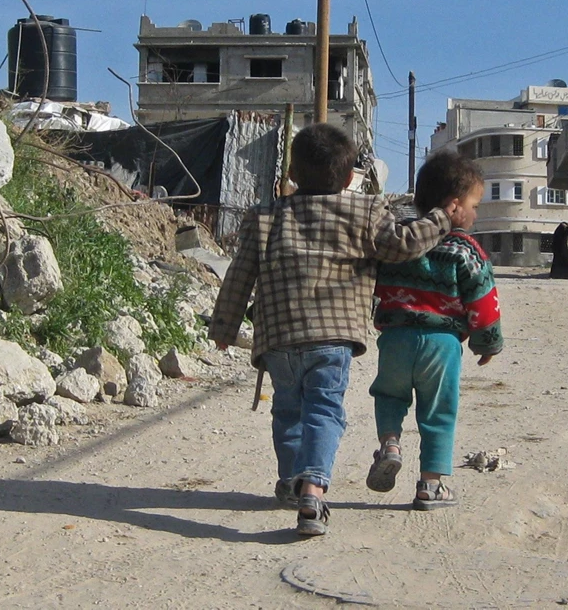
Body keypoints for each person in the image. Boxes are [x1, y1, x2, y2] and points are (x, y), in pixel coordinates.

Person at [208, 123, 452, 538]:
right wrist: (443, 218)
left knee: (287, 411)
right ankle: (314, 490)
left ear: (293, 173)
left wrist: (224, 326)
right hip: (333, 338)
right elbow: (403, 244)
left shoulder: (264, 217)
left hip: (279, 337)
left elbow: (239, 275)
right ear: (346, 177)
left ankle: (291, 480)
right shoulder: (365, 211)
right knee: (323, 410)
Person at [366, 149, 502, 510]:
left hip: (395, 339)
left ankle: (390, 445)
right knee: (438, 410)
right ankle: (431, 485)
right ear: (454, 206)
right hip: (442, 344)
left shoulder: (398, 243)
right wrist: (487, 343)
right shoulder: (466, 250)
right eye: (475, 204)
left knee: (389, 396)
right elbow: (483, 299)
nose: (476, 212)